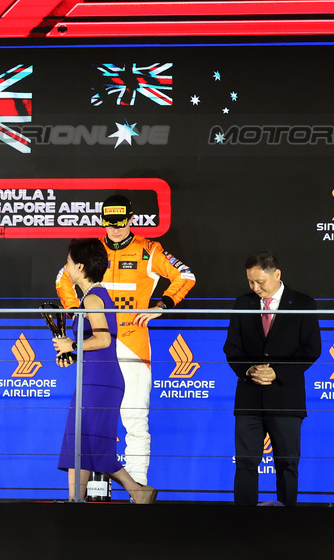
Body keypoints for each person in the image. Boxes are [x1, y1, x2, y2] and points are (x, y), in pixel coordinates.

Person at [54, 194, 195, 484]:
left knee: (135, 421)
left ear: (131, 220)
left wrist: (162, 306)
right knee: (90, 421)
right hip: (96, 344)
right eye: (109, 224)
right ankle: (91, 489)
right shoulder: (91, 250)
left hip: (133, 341)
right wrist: (75, 314)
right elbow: (62, 279)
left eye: (120, 223)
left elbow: (185, 275)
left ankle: (138, 489)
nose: (115, 230)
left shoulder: (149, 249)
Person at [54, 238, 156, 504]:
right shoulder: (97, 295)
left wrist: (72, 343)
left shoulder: (92, 300)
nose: (65, 268)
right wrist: (74, 354)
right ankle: (87, 498)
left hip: (99, 381)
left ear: (80, 267)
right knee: (86, 441)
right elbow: (99, 344)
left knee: (85, 440)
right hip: (98, 376)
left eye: (68, 262)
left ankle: (84, 499)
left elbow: (104, 340)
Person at [223, 251, 322, 506]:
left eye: (260, 282)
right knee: (245, 463)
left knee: (287, 464)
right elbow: (232, 348)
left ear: (276, 275)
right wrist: (249, 370)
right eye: (250, 282)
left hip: (286, 399)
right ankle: (244, 524)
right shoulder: (242, 303)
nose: (255, 288)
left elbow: (311, 349)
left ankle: (288, 523)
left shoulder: (303, 303)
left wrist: (277, 371)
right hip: (249, 399)